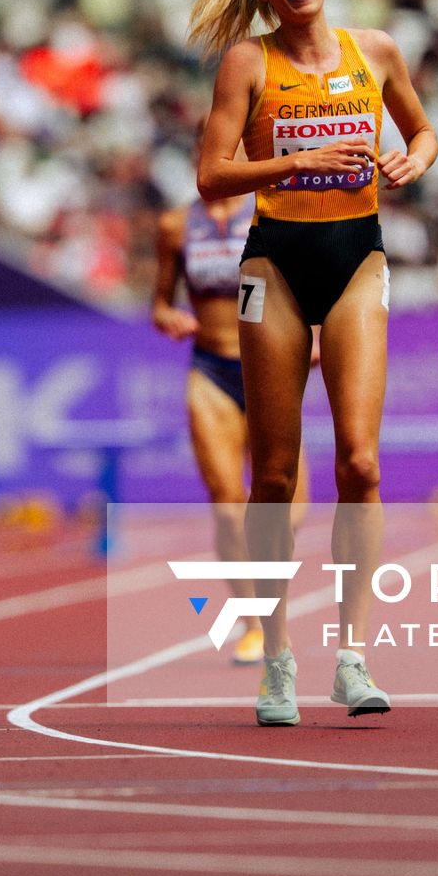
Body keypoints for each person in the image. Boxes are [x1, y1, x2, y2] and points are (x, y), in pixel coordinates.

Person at [191, 0, 438, 726]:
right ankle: (276, 662)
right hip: (276, 263)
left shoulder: (378, 50)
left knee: (362, 465)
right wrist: (295, 161)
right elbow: (211, 176)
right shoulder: (247, 63)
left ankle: (352, 658)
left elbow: (425, 129)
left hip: (357, 259)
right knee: (274, 475)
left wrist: (414, 158)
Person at [150, 187, 311, 665]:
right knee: (225, 505)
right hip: (210, 371)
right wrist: (168, 318)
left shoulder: (270, 213)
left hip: (269, 366)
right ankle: (253, 624)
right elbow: (159, 302)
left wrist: (314, 336)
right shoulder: (175, 226)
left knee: (288, 506)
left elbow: (307, 284)